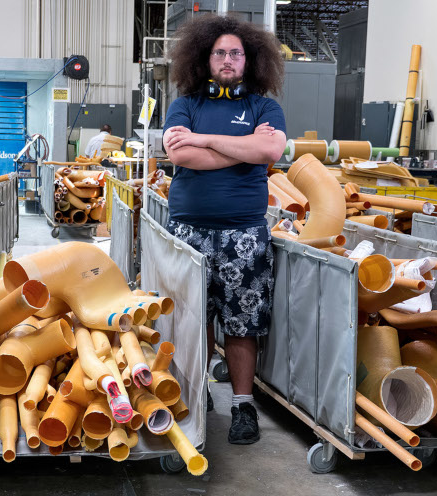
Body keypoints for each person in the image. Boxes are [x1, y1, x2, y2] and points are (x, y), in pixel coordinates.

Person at [163, 14, 286, 445]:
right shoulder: (185, 104)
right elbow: (179, 156)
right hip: (187, 232)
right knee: (191, 321)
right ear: (205, 58)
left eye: (236, 53)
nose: (228, 59)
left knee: (242, 324)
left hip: (244, 235)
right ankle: (195, 398)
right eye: (220, 53)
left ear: (249, 60)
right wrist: (243, 148)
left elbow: (271, 148)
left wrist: (202, 139)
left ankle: (242, 407)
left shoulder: (263, 108)